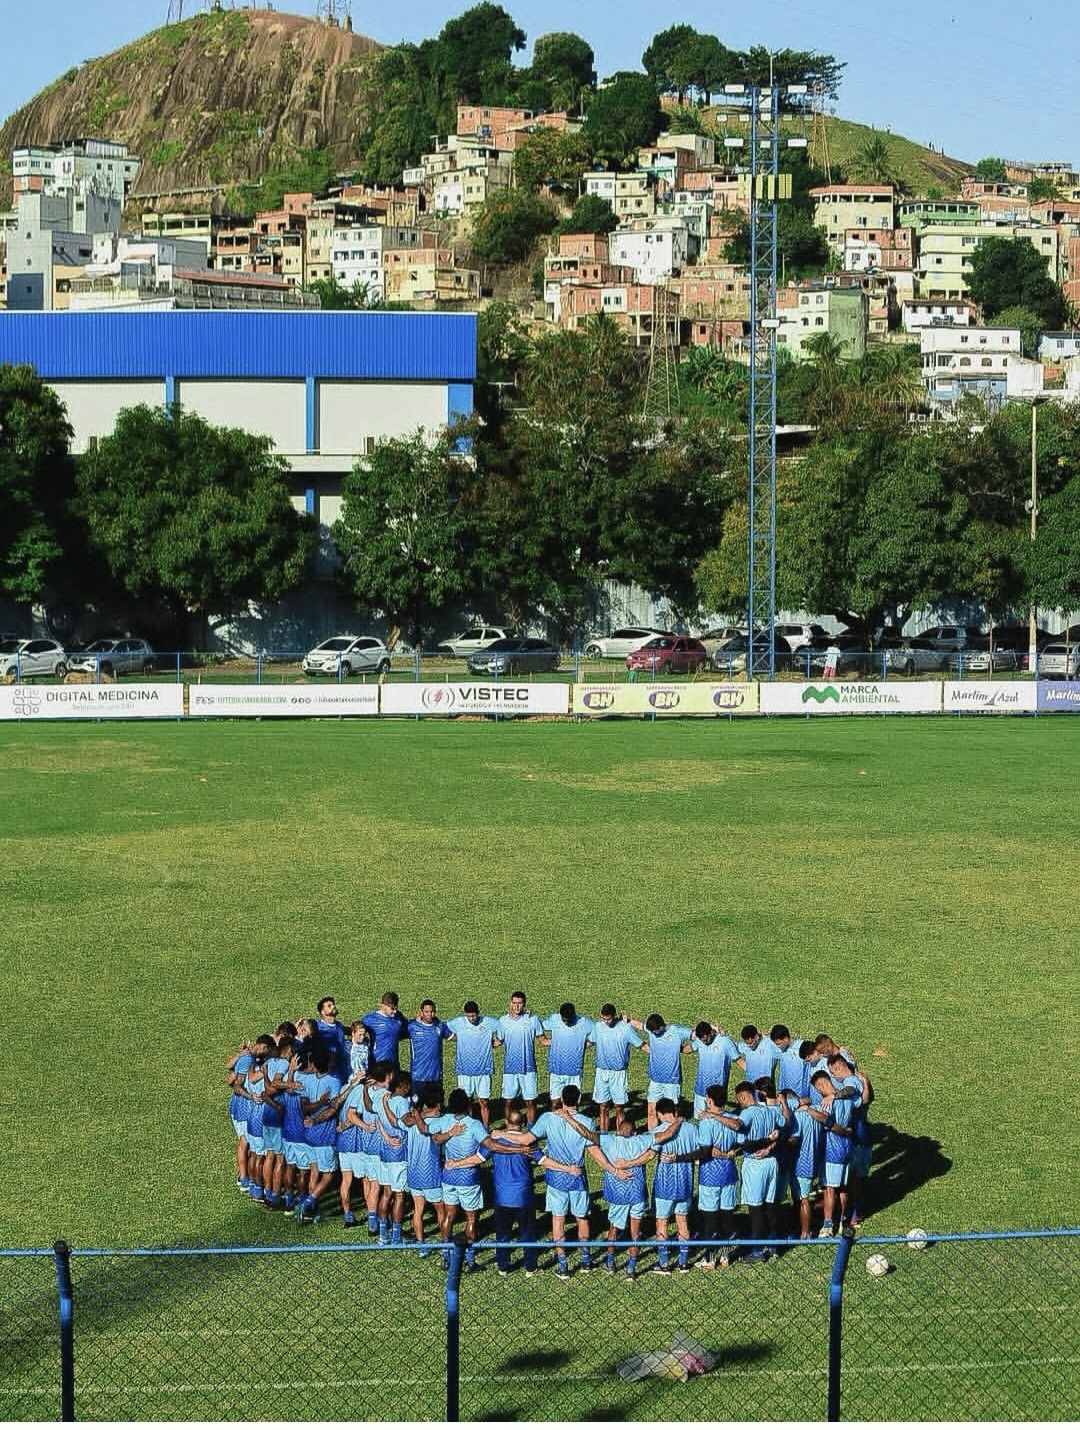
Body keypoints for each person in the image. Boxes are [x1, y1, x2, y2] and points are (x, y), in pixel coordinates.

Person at [529, 1085, 620, 1280]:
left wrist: (502, 1135)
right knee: (582, 1218)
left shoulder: (547, 1118)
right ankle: (586, 1261)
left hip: (556, 1180)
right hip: (578, 1179)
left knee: (558, 1220)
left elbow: (527, 1139)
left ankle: (563, 1266)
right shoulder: (587, 1122)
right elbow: (595, 1152)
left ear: (561, 1099)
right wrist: (613, 1170)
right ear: (579, 1100)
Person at [717, 1079, 789, 1260]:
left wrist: (714, 1116)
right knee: (770, 1205)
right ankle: (774, 1245)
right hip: (771, 1162)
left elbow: (738, 1128)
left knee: (755, 1208)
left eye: (738, 1099)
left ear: (743, 1096)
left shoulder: (748, 1112)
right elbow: (783, 1127)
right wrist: (770, 1145)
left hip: (755, 1164)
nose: (739, 1103)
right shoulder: (769, 1110)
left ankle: (757, 1250)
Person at [427, 1088, 490, 1270]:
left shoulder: (445, 1120)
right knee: (471, 1219)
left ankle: (445, 1255)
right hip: (468, 1177)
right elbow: (488, 1146)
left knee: (449, 1216)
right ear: (468, 1104)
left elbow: (431, 1134)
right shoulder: (475, 1125)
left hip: (448, 1176)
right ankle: (469, 1259)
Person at [598, 1115, 655, 1279]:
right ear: (635, 1132)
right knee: (635, 1233)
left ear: (617, 1131)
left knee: (613, 1231)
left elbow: (589, 1135)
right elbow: (654, 1148)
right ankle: (631, 1269)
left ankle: (610, 1264)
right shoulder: (641, 1141)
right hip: (637, 1194)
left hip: (619, 1195)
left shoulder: (609, 1141)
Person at [694, 1084, 740, 1268]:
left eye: (707, 1098)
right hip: (729, 1174)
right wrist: (729, 1154)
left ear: (711, 1100)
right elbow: (738, 1143)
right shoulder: (732, 1118)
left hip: (710, 1175)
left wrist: (721, 1154)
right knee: (727, 1215)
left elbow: (707, 1150)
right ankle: (725, 1256)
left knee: (710, 1217)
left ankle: (710, 1258)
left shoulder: (706, 1122)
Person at [651, 1099, 699, 1273]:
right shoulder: (692, 1129)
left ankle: (664, 1263)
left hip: (665, 1184)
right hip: (685, 1182)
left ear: (660, 1113)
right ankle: (683, 1262)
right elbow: (699, 1152)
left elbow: (649, 1154)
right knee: (682, 1221)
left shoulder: (658, 1131)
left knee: (662, 1222)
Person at [446, 1001, 502, 1129]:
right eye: (469, 1016)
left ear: (478, 1013)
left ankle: (485, 1127)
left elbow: (504, 1026)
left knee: (484, 1101)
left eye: (474, 1015)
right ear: (465, 1014)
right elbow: (442, 1027)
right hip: (464, 1070)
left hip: (484, 1070)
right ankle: (470, 1125)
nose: (471, 1018)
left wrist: (497, 1042)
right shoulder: (458, 1022)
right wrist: (455, 1038)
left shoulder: (488, 1022)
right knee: (467, 1100)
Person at [634, 1013, 693, 1129]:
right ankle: (652, 1137)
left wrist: (713, 1032)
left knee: (670, 1115)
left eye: (655, 1031)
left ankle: (673, 1137)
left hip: (672, 1082)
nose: (653, 1034)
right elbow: (640, 1025)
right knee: (651, 1111)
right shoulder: (651, 1030)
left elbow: (695, 1035)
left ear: (661, 1026)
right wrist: (627, 1020)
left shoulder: (676, 1031)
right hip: (655, 1081)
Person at [403, 1092, 445, 1255]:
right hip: (431, 1174)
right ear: (438, 1105)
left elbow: (400, 1120)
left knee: (418, 1210)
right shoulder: (438, 1123)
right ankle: (445, 1246)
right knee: (441, 1211)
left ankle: (421, 1246)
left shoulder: (412, 1122)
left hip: (413, 1173)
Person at [591, 1005, 644, 1133]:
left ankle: (621, 1136)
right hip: (601, 1072)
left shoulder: (626, 1029)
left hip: (618, 1074)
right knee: (603, 1106)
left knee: (619, 1107)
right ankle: (603, 1136)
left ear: (614, 1016)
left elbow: (641, 1045)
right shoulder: (598, 1027)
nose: (606, 1022)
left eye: (608, 1019)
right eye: (603, 1019)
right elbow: (589, 1042)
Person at [374, 1069, 412, 1245]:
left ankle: (383, 1235)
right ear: (403, 1086)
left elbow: (378, 1120)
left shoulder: (383, 1098)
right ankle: (396, 1236)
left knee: (386, 1194)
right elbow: (405, 1124)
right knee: (399, 1196)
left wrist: (387, 1138)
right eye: (408, 1086)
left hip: (384, 1152)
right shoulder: (402, 1102)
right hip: (399, 1154)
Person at [498, 991, 545, 1124]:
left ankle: (531, 1127)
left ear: (524, 1004)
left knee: (530, 1101)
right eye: (514, 1003)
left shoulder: (532, 1019)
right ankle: (509, 1125)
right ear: (510, 1003)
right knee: (508, 1101)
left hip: (529, 1068)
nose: (517, 1006)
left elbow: (543, 1040)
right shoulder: (503, 1021)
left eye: (520, 1003)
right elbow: (498, 1041)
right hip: (510, 1068)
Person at [540, 1002, 595, 1107]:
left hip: (574, 1072)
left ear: (574, 1015)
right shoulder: (555, 1019)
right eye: (563, 1020)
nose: (566, 1022)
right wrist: (545, 1040)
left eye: (568, 1020)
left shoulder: (585, 1023)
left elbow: (598, 1031)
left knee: (573, 1105)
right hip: (556, 1071)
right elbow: (539, 1025)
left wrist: (584, 1045)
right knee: (555, 1103)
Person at [407, 999, 452, 1109]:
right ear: (421, 1012)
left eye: (432, 1011)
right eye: (426, 1012)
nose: (430, 1014)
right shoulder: (411, 1026)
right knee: (416, 1109)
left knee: (437, 1110)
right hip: (418, 1077)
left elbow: (454, 1037)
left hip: (435, 1077)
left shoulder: (440, 1026)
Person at [687, 1022, 739, 1115]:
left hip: (717, 1092)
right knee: (700, 1118)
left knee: (717, 1119)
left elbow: (738, 1060)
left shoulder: (725, 1041)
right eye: (702, 1041)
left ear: (711, 1033)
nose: (704, 1043)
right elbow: (689, 1048)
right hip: (700, 1089)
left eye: (705, 1040)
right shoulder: (699, 1040)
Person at [363, 992, 409, 1069]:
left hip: (394, 1064)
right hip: (377, 1063)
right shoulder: (370, 1019)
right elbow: (356, 1031)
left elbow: (408, 1030)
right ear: (383, 1006)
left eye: (396, 1008)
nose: (395, 1011)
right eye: (392, 1008)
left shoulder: (399, 1016)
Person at [316, 996, 350, 1084]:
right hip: (328, 1074)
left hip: (342, 1070)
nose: (333, 1006)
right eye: (329, 1006)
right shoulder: (318, 1027)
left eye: (333, 1004)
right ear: (322, 1012)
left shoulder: (339, 1025)